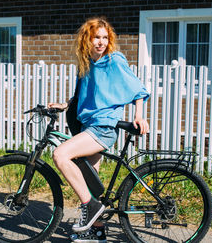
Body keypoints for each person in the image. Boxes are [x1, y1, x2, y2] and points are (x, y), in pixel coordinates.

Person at [48, 17, 149, 242]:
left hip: (103, 128)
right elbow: (82, 94)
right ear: (88, 39)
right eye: (97, 37)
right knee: (91, 183)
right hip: (88, 125)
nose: (101, 42)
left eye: (105, 38)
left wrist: (139, 116)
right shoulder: (86, 62)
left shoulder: (114, 61)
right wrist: (66, 104)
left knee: (60, 154)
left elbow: (137, 89)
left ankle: (91, 208)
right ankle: (97, 231)